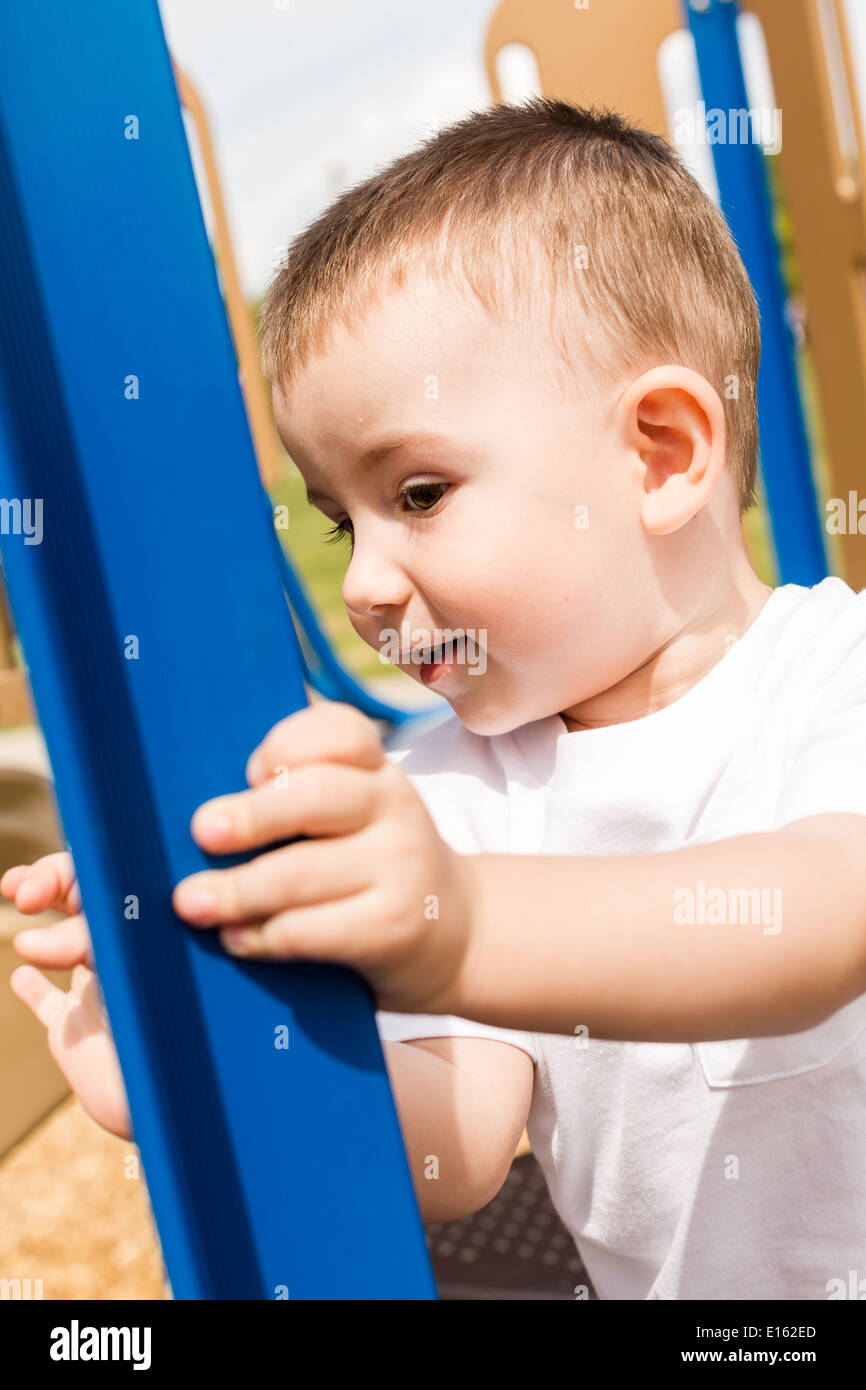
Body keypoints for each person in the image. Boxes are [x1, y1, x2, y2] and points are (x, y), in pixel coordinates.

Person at [7, 100, 866, 1300]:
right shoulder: (459, 783)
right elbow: (457, 1146)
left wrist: (454, 925)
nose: (361, 582)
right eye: (336, 519)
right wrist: (175, 1057)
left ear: (659, 454)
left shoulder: (833, 675)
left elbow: (821, 921)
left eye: (415, 493)